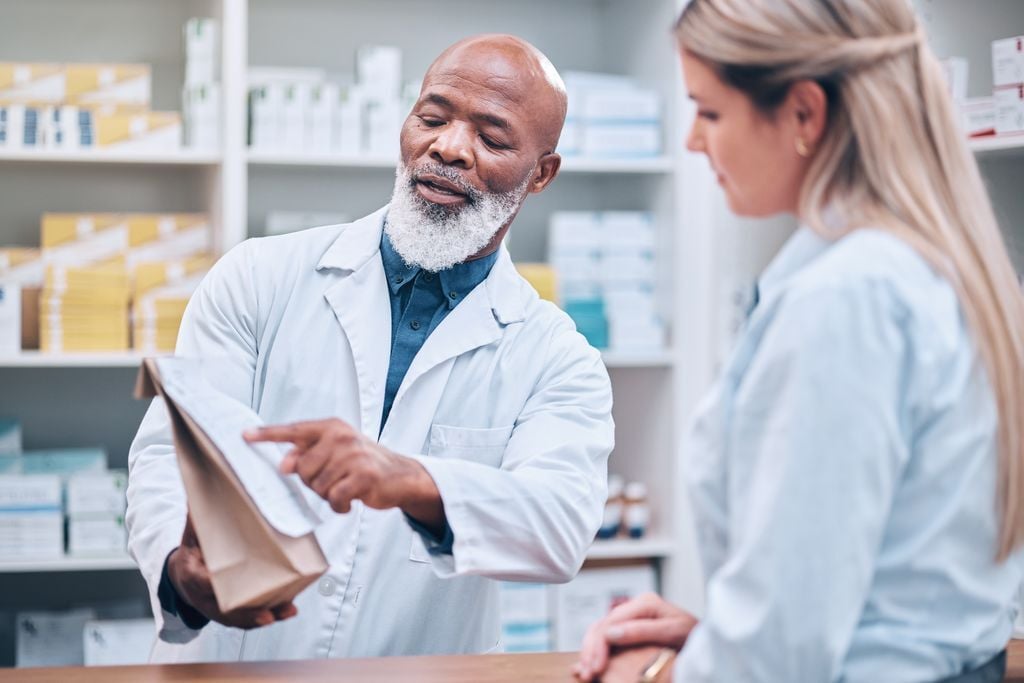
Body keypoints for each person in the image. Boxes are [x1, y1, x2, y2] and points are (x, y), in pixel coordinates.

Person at [126, 34, 614, 663]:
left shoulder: (556, 357)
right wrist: (181, 568)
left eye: (492, 139)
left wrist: (411, 479)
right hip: (233, 665)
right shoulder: (258, 276)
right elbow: (169, 453)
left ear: (541, 174)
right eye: (432, 119)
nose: (449, 148)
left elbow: (559, 524)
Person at [573, 1, 1024, 681]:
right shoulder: (931, 266)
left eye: (711, 111)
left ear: (805, 115)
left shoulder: (847, 299)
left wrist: (658, 673)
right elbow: (896, 587)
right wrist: (717, 632)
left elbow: (779, 659)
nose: (694, 140)